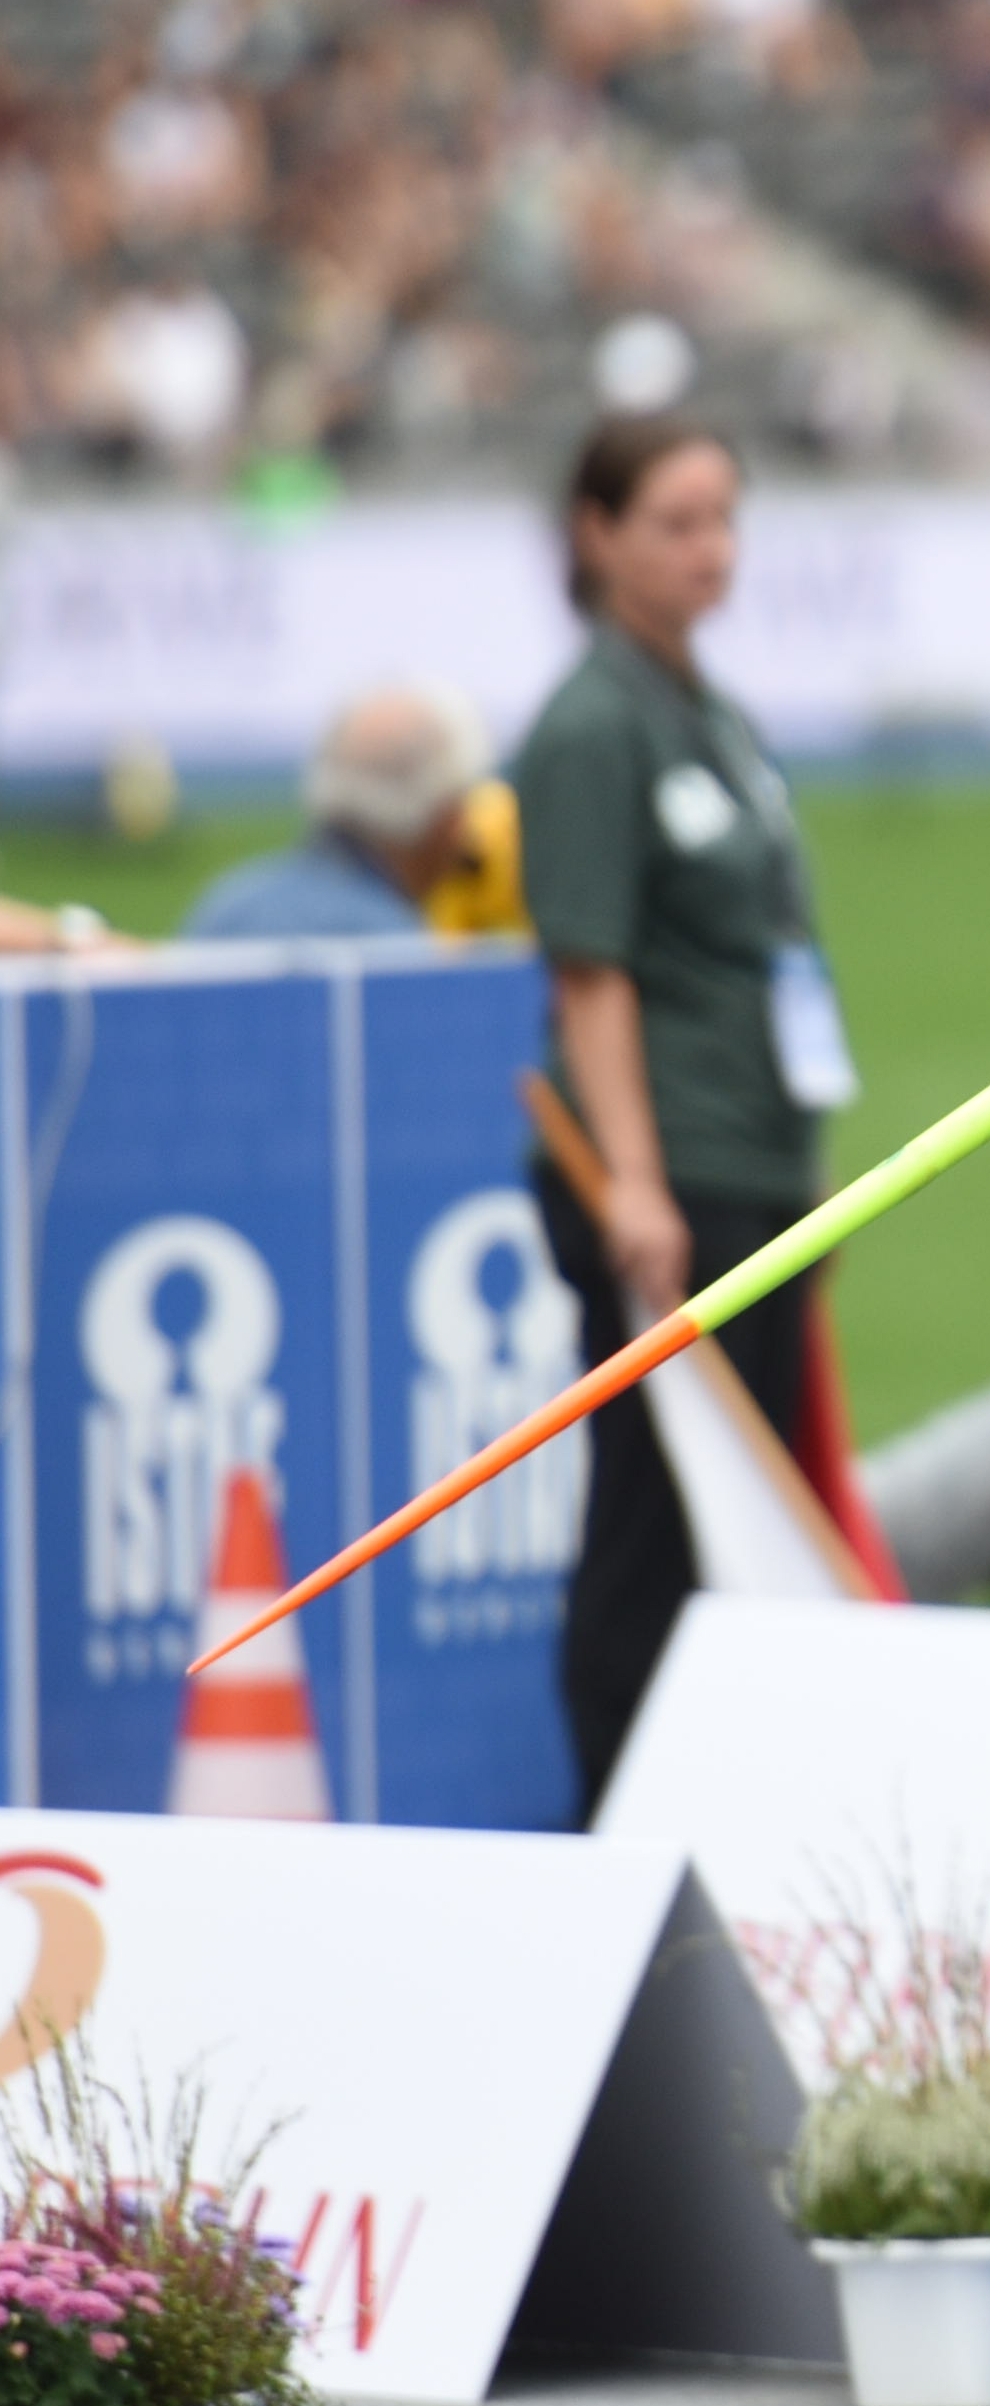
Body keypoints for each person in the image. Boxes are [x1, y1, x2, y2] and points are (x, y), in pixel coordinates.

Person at [512, 413, 855, 1817]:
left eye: (725, 517)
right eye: (676, 521)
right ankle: (615, 1816)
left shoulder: (707, 706)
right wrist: (635, 1185)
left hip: (763, 1159)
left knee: (747, 1524)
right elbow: (591, 972)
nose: (711, 548)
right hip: (676, 1175)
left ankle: (721, 1813)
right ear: (597, 535)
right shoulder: (591, 725)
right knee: (653, 1528)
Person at [181, 684, 491, 941]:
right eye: (461, 805)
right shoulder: (395, 948)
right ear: (442, 816)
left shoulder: (225, 910)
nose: (463, 831)